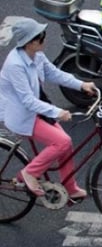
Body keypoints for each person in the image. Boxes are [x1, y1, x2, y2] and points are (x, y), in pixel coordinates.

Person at [0, 18, 96, 200]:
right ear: (30, 42)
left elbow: (54, 73)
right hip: (22, 115)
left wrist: (81, 84)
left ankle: (70, 187)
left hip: (38, 109)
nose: (45, 39)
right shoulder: (15, 65)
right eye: (41, 37)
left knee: (66, 145)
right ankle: (29, 173)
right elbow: (27, 100)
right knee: (62, 142)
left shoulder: (36, 55)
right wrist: (57, 112)